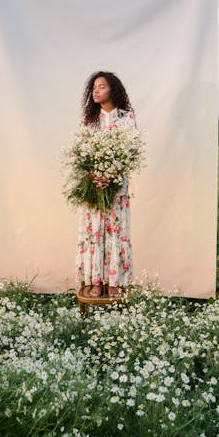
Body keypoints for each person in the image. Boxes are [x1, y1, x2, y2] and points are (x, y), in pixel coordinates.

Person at [76, 71, 136, 298]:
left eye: (101, 86)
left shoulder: (126, 117)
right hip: (93, 188)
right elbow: (81, 155)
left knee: (116, 232)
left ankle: (114, 282)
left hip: (116, 186)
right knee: (95, 234)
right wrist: (95, 177)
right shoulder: (89, 121)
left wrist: (110, 177)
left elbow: (130, 152)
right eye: (93, 87)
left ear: (113, 89)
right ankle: (96, 281)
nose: (96, 90)